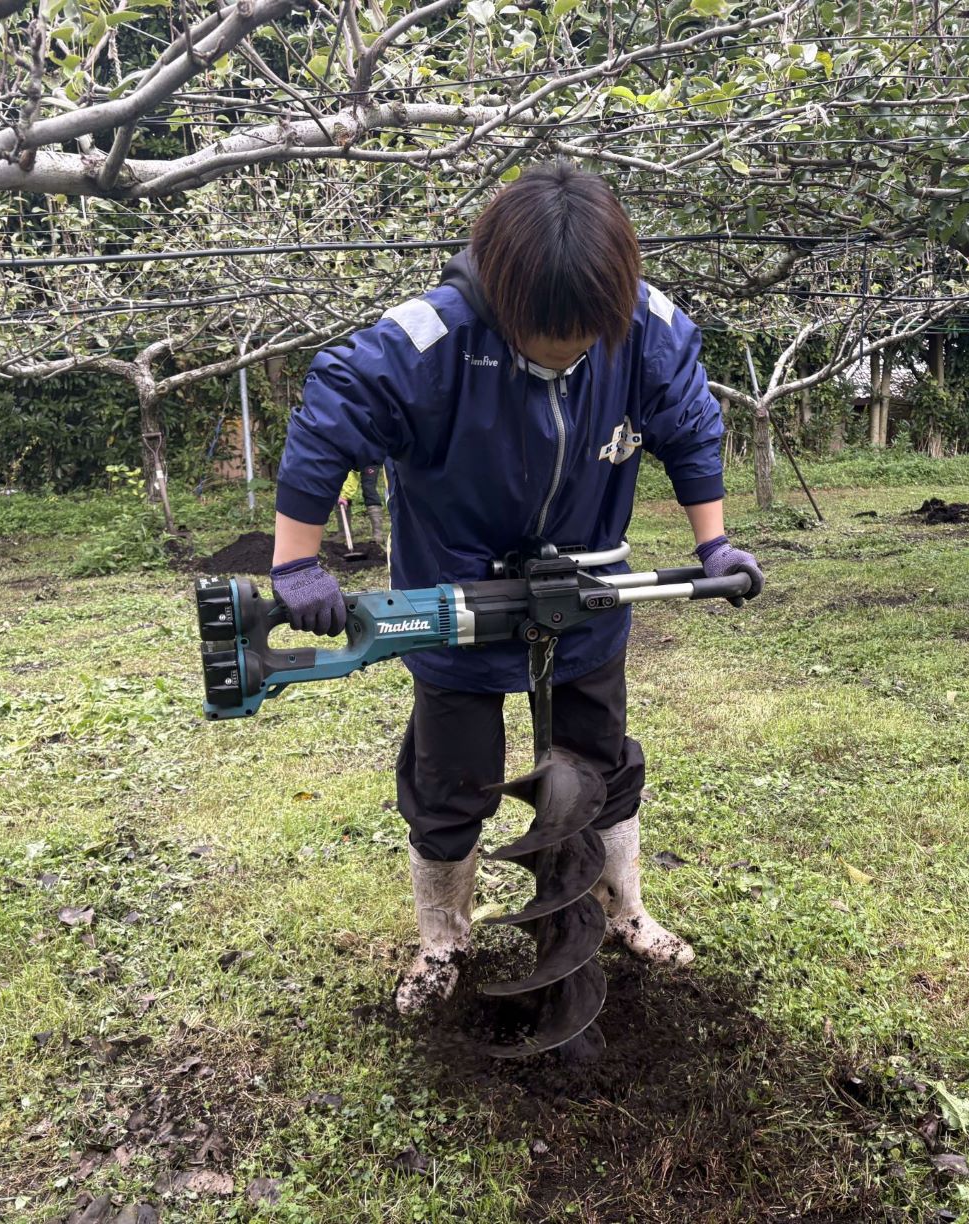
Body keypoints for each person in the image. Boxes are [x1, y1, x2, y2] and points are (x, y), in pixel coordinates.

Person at [269, 162, 764, 1013]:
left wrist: (712, 544)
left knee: (598, 761)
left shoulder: (646, 326)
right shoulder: (431, 336)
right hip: (453, 604)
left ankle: (621, 911)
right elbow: (331, 411)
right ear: (502, 292)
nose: (565, 351)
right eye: (546, 334)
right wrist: (294, 562)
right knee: (451, 776)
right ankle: (443, 943)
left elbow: (689, 426)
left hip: (590, 593)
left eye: (583, 336)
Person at [337, 465, 386, 544]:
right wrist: (344, 495)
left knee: (369, 489)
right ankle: (344, 533)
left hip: (370, 460)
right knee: (341, 489)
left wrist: (345, 494)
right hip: (352, 462)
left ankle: (378, 534)